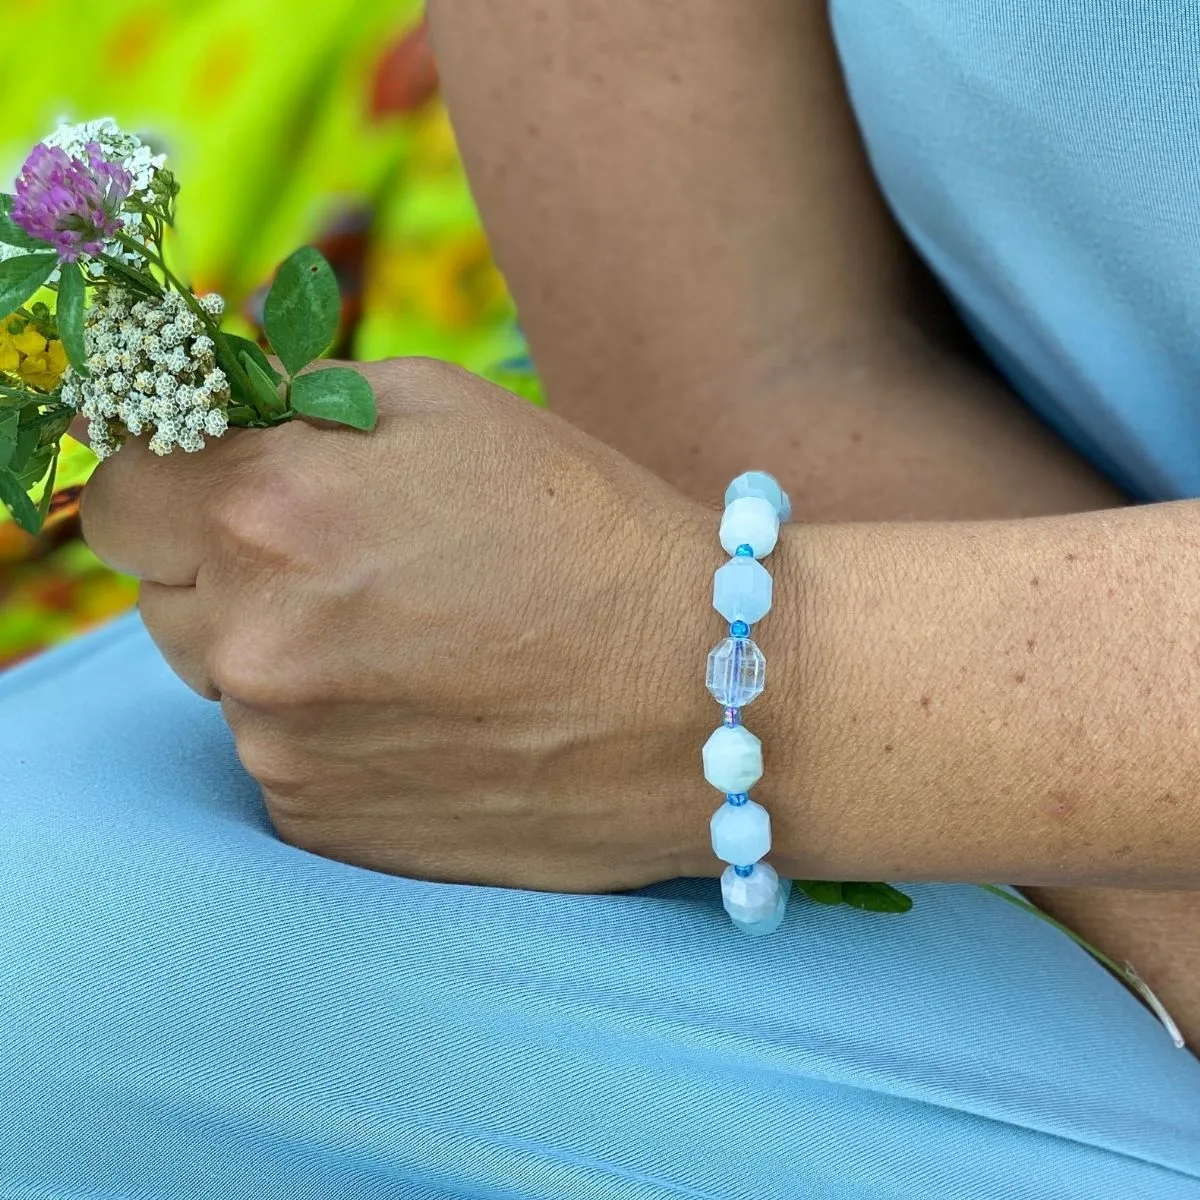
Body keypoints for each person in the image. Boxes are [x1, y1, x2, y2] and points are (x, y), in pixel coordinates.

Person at [2, 2, 1198, 1196]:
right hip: (942, 619)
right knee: (53, 954)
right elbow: (747, 366)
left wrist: (723, 679)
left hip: (849, 691)